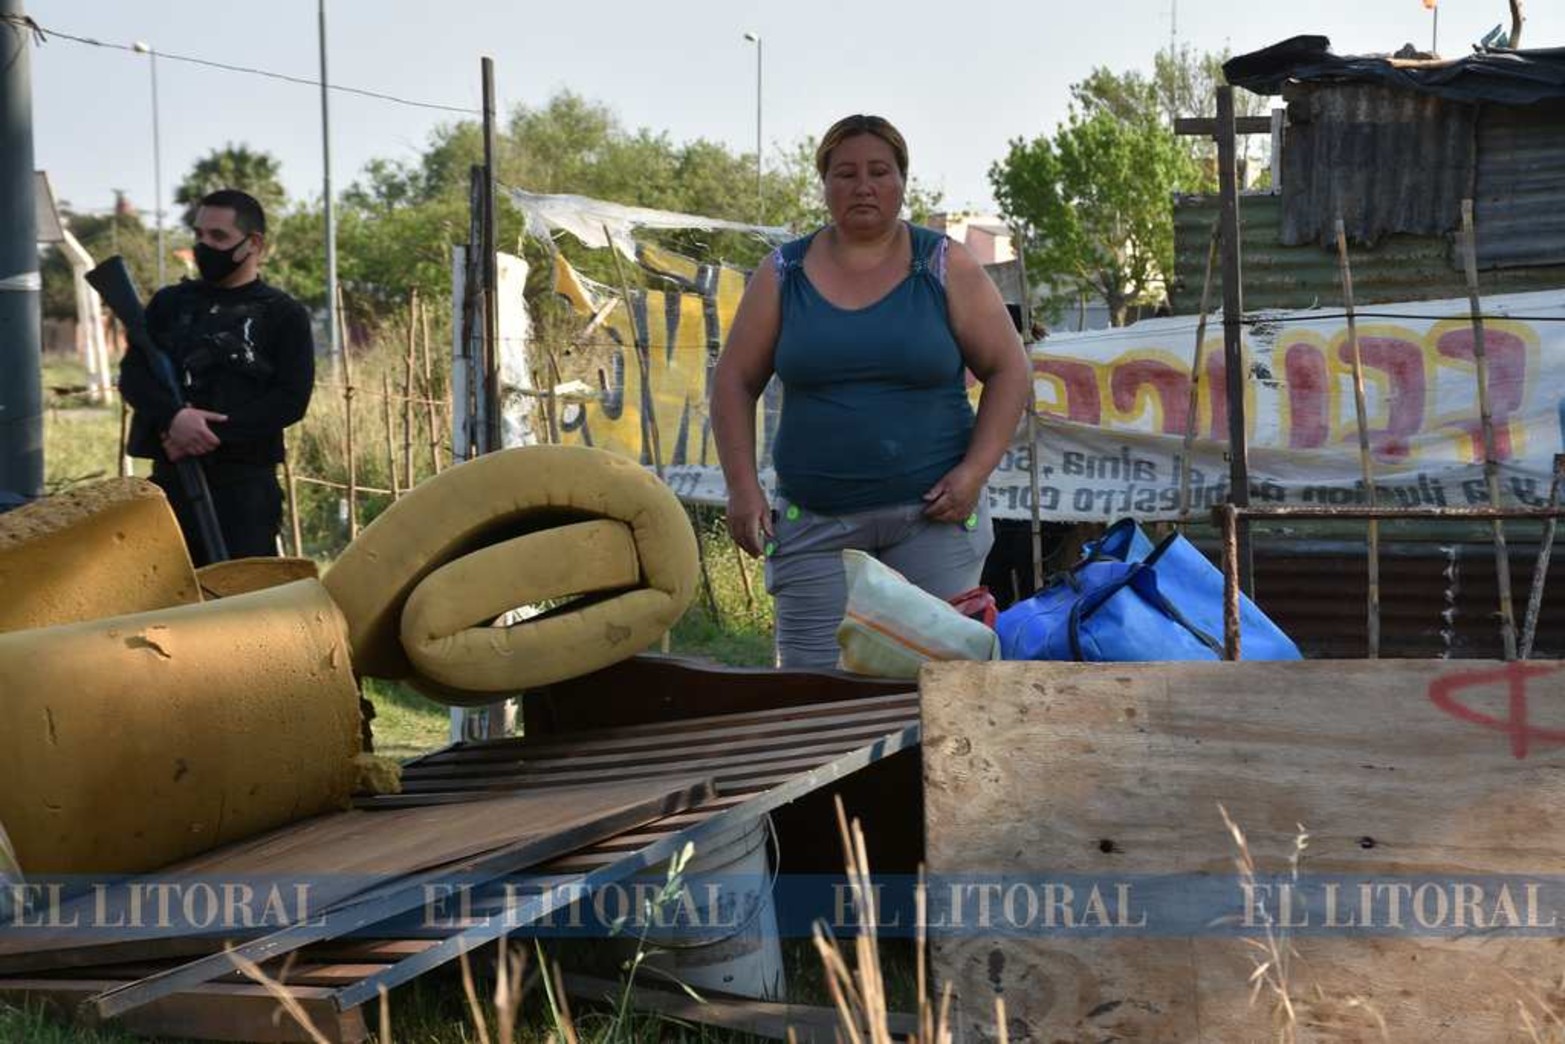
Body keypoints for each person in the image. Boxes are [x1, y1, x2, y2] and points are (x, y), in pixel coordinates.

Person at [711, 114, 1032, 670]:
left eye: (879, 171)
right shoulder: (783, 273)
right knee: (813, 703)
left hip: (935, 521)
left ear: (903, 182)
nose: (863, 186)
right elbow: (733, 382)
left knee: (935, 696)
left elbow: (1010, 370)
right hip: (814, 525)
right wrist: (743, 490)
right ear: (826, 184)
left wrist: (974, 472)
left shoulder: (943, 265)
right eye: (845, 173)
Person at [120, 189, 314, 566]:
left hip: (244, 487)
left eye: (219, 237)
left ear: (253, 243)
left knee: (235, 604)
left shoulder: (282, 314)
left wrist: (206, 436)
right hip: (169, 484)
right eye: (200, 235)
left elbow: (291, 399)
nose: (204, 245)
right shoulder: (170, 304)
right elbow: (134, 375)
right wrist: (175, 419)